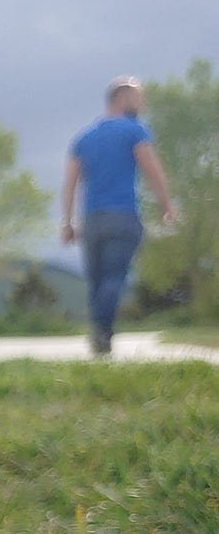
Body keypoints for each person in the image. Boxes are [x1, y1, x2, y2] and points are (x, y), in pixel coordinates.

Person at [61, 77, 176, 356]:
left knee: (97, 281)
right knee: (114, 277)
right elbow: (151, 168)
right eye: (139, 97)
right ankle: (102, 333)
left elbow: (71, 183)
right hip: (122, 215)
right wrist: (167, 204)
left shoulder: (84, 137)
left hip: (92, 220)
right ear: (121, 97)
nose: (142, 103)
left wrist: (67, 222)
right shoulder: (134, 130)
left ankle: (98, 334)